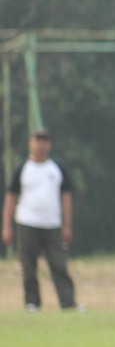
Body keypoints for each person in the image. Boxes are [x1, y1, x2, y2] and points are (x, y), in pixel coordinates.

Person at [2, 127, 82, 311]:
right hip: (27, 223)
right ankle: (32, 303)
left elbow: (66, 197)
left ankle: (68, 302)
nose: (41, 144)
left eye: (45, 140)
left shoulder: (56, 169)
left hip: (52, 225)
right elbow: (11, 197)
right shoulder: (22, 169)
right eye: (38, 140)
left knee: (59, 265)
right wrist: (6, 225)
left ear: (50, 144)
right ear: (31, 143)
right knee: (28, 266)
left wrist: (67, 224)